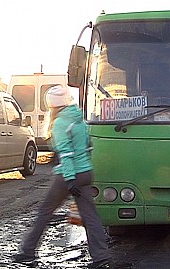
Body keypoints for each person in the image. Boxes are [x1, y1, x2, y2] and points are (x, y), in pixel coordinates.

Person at [13, 85, 111, 269]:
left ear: (51, 104)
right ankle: (101, 256)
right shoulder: (80, 120)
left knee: (44, 212)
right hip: (86, 173)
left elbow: (66, 154)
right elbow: (89, 147)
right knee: (91, 216)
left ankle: (27, 252)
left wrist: (70, 178)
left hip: (69, 175)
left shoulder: (60, 123)